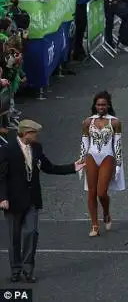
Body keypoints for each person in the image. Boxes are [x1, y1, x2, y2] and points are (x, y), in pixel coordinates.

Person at [0, 119, 84, 283]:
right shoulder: (7, 150)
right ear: (25, 133)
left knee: (31, 232)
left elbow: (49, 167)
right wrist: (2, 197)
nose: (36, 136)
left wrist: (72, 167)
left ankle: (28, 269)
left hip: (32, 199)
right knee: (14, 237)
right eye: (34, 133)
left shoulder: (37, 148)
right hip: (13, 200)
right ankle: (15, 269)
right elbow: (1, 176)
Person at [79, 91, 125, 237]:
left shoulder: (115, 122)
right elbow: (84, 143)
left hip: (108, 156)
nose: (101, 107)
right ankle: (94, 225)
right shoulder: (88, 122)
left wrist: (118, 164)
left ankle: (106, 212)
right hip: (91, 156)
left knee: (101, 192)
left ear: (108, 105)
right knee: (91, 192)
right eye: (98, 104)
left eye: (103, 104)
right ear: (95, 106)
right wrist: (81, 160)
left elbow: (117, 144)